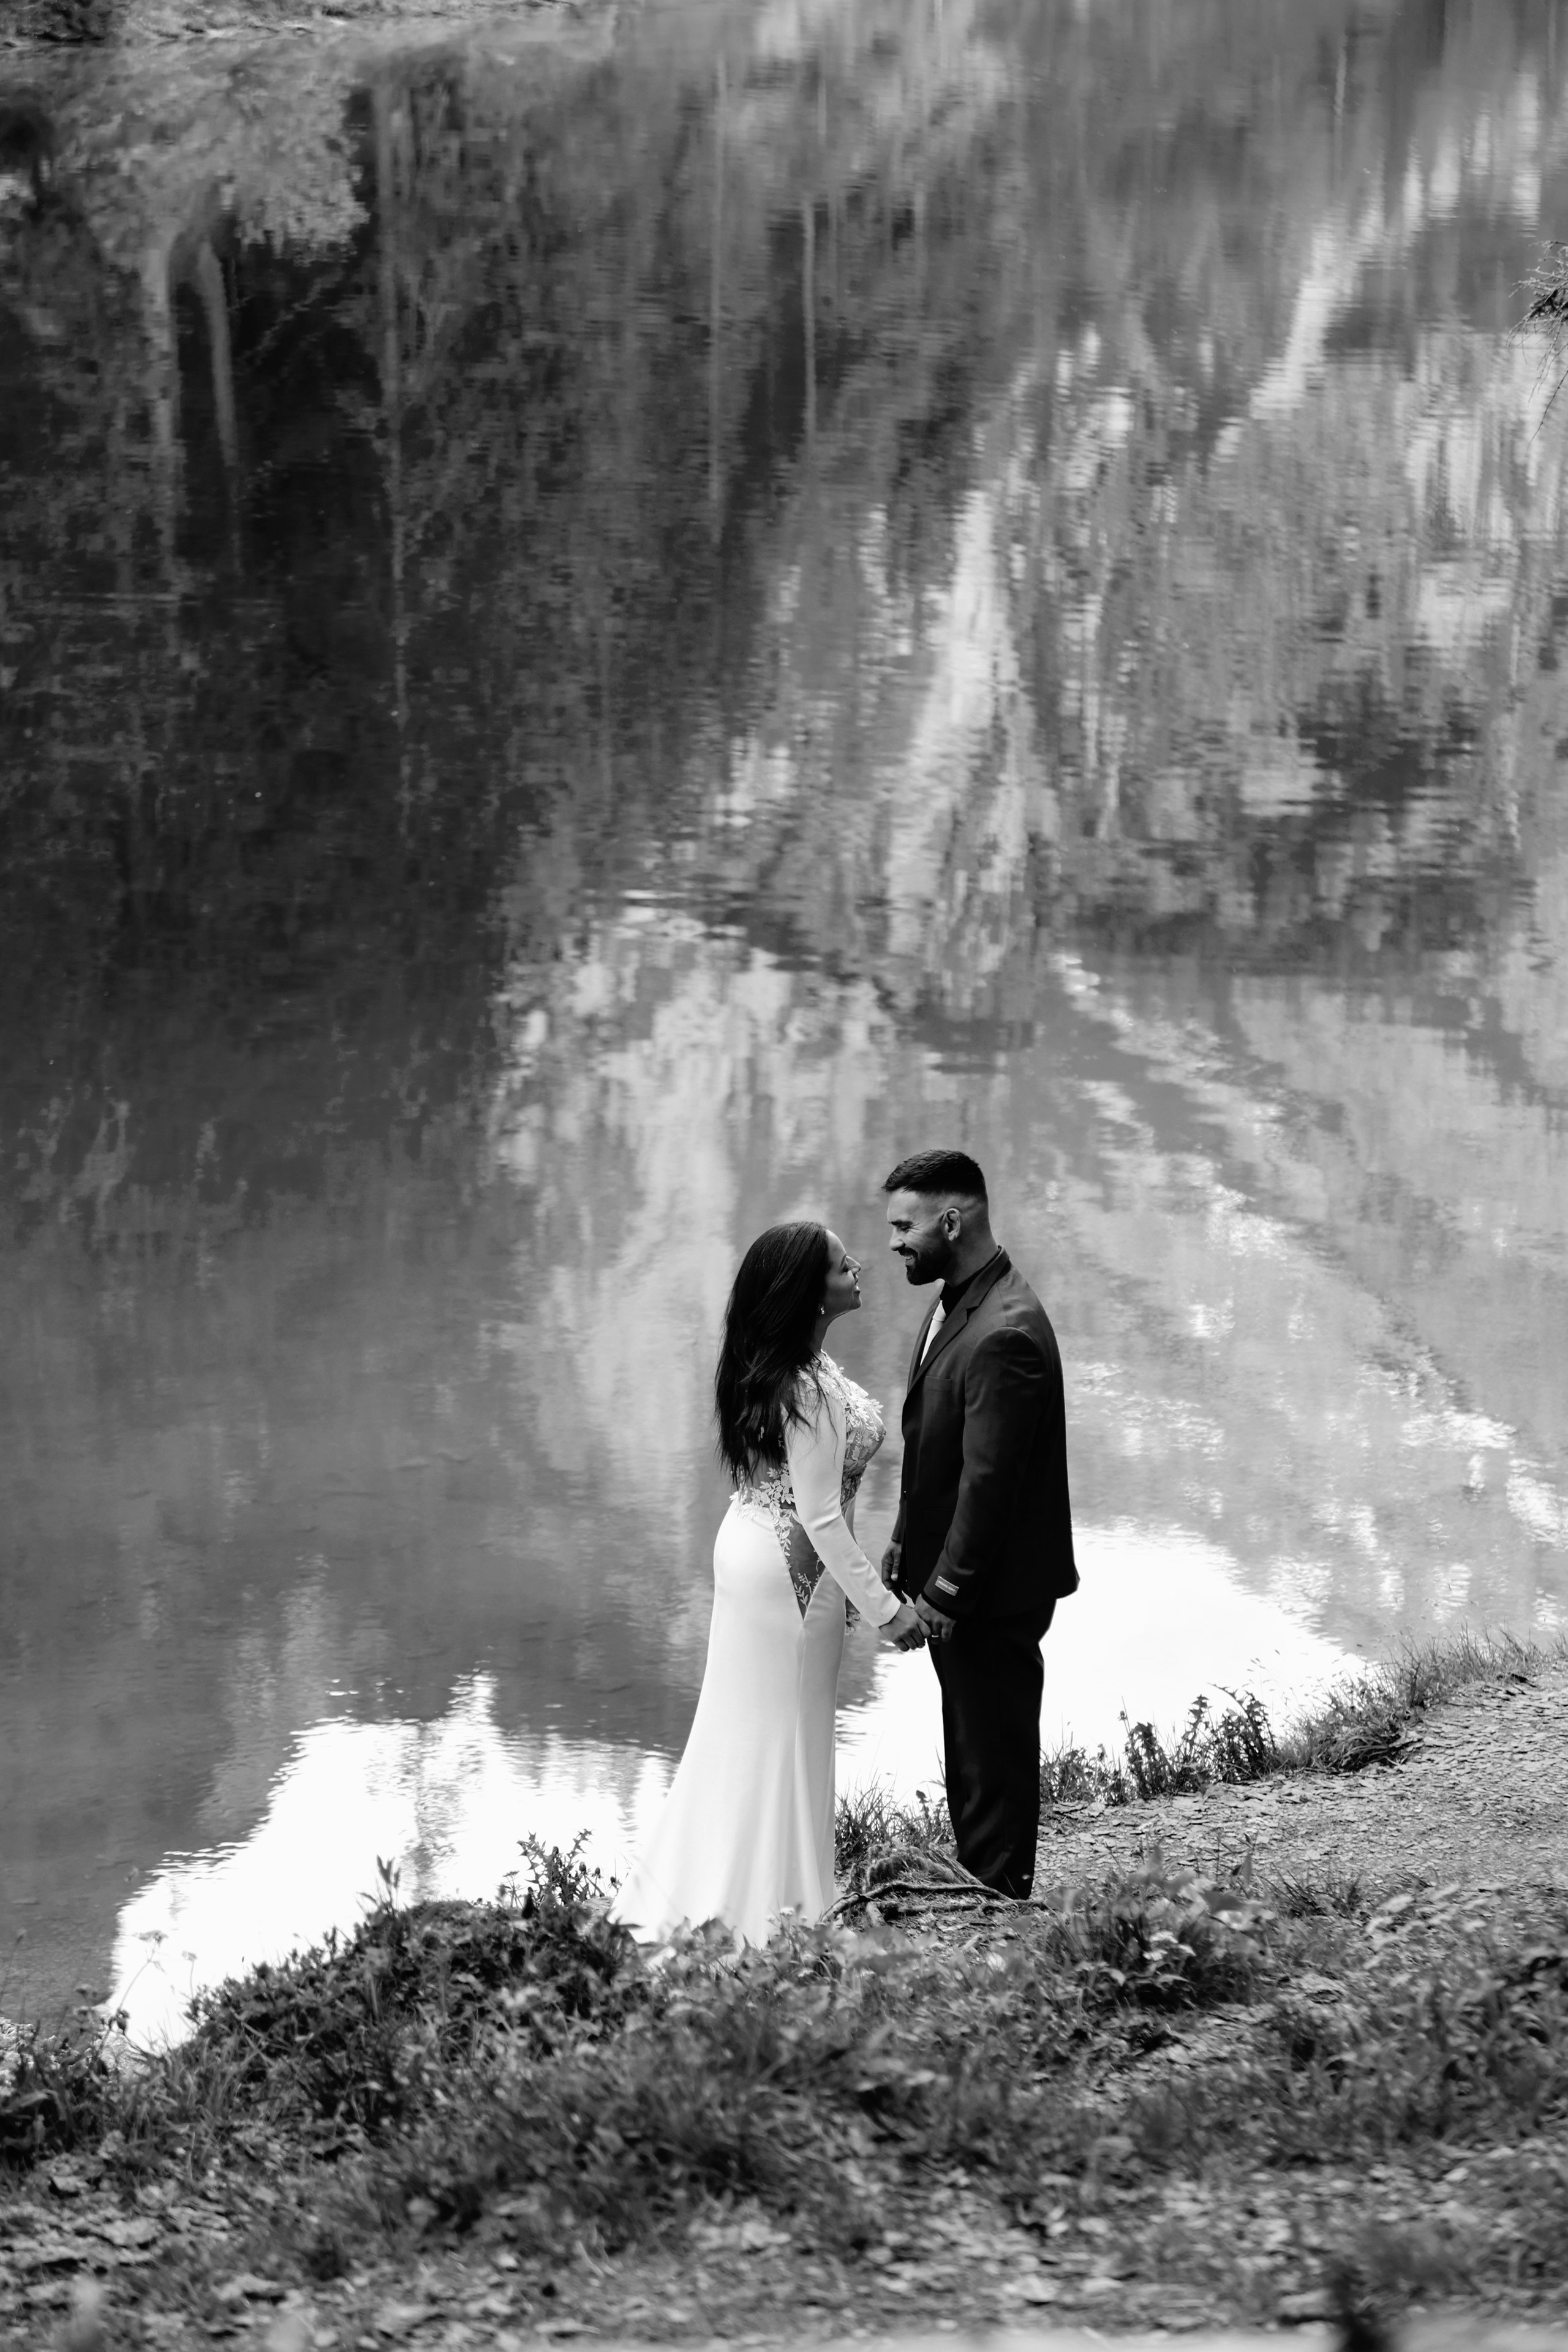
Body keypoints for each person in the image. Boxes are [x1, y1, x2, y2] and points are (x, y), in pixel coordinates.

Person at [611, 1222, 924, 1944]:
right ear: (809, 1294)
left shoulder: (792, 1367)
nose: (857, 1266)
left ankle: (755, 1903)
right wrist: (885, 1610)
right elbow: (821, 1516)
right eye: (840, 1264)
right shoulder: (808, 1387)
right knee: (784, 1737)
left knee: (751, 1732)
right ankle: (777, 1920)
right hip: (788, 1573)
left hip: (754, 1550)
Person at [880, 1150, 1076, 1897]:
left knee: (991, 1746)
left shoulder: (1004, 1331)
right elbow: (938, 1443)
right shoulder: (960, 1300)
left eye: (905, 1227)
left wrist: (944, 1591)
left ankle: (1000, 1900)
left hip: (991, 1589)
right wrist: (905, 1536)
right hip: (964, 1578)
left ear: (952, 1221)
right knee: (970, 1737)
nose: (894, 1242)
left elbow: (989, 1483)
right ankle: (981, 1883)